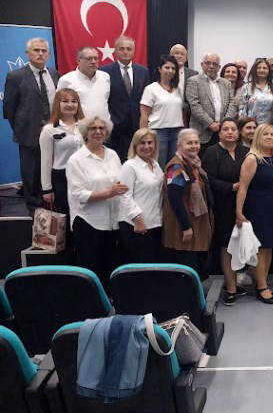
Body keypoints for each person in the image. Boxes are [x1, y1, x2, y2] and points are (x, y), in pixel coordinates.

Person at [66, 116, 127, 287]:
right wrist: (109, 193)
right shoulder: (76, 160)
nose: (98, 131)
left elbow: (120, 182)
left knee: (111, 269)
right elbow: (79, 194)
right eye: (93, 128)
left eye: (102, 128)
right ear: (85, 132)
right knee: (92, 272)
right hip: (88, 222)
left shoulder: (113, 154)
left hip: (112, 222)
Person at [3, 37, 60, 211]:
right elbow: (9, 108)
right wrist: (22, 129)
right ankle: (35, 210)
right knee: (32, 175)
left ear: (49, 54)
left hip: (54, 133)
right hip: (29, 135)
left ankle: (53, 208)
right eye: (36, 50)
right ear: (27, 53)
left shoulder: (55, 74)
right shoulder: (15, 76)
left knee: (53, 172)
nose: (40, 53)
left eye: (44, 51)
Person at [202, 118, 249, 305]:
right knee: (227, 246)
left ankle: (237, 281)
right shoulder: (212, 152)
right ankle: (230, 288)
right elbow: (209, 179)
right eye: (226, 129)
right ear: (219, 133)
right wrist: (231, 187)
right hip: (223, 206)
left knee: (241, 245)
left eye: (233, 129)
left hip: (245, 204)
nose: (230, 132)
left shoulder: (245, 151)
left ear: (238, 133)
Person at [236, 123, 273, 305]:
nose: (269, 137)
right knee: (260, 249)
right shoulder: (252, 158)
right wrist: (239, 212)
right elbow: (243, 187)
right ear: (258, 137)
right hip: (257, 209)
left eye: (272, 134)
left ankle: (263, 281)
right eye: (265, 134)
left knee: (268, 247)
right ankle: (261, 287)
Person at [163, 128, 214, 277]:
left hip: (196, 222)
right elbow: (175, 199)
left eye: (196, 142)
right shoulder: (176, 167)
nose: (194, 146)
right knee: (186, 268)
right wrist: (186, 227)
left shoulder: (194, 163)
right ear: (179, 145)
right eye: (189, 143)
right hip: (183, 224)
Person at [100, 35, 149, 161]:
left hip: (137, 125)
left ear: (134, 51)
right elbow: (103, 99)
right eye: (121, 49)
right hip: (115, 127)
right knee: (116, 161)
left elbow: (147, 99)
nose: (125, 52)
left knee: (137, 160)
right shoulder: (104, 72)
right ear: (115, 51)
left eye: (129, 49)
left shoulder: (143, 71)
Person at [119, 128, 163, 264]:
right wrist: (137, 219)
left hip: (155, 223)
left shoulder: (155, 165)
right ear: (135, 145)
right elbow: (124, 195)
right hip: (136, 226)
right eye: (142, 143)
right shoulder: (129, 166)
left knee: (153, 266)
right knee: (140, 267)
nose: (147, 146)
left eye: (150, 142)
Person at [40, 88, 84, 216]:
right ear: (57, 104)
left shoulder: (85, 126)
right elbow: (46, 162)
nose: (70, 104)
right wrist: (47, 189)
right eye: (65, 101)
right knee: (66, 216)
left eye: (74, 101)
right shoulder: (49, 130)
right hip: (61, 179)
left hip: (84, 175)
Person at [186, 52, 238, 155]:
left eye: (215, 64)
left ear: (219, 67)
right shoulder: (193, 81)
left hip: (222, 132)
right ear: (202, 64)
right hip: (202, 131)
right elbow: (194, 105)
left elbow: (232, 103)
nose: (211, 66)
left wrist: (224, 124)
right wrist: (210, 123)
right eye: (208, 63)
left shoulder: (226, 83)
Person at [139, 55, 184, 167]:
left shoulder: (177, 89)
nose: (170, 71)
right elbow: (144, 115)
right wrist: (144, 136)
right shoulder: (151, 89)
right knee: (158, 165)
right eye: (167, 67)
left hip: (176, 132)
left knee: (174, 168)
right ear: (159, 69)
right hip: (158, 133)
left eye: (173, 68)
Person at [57, 46, 110, 119]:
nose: (93, 62)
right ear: (78, 61)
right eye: (89, 59)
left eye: (96, 58)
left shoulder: (105, 77)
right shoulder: (66, 80)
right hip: (78, 125)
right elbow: (58, 106)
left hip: (103, 124)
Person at [239, 58, 273, 124]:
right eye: (259, 68)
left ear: (269, 71)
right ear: (254, 70)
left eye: (265, 68)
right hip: (252, 126)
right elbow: (242, 108)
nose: (262, 70)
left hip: (270, 126)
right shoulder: (247, 87)